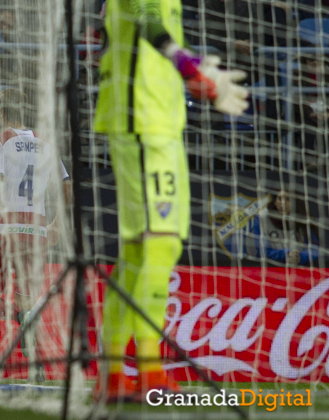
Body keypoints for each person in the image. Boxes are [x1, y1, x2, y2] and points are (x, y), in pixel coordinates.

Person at [92, 0, 248, 403]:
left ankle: (111, 372)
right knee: (158, 243)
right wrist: (187, 63)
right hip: (141, 119)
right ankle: (148, 369)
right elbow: (147, 22)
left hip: (159, 120)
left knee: (138, 250)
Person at [0, 89, 71, 360]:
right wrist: (56, 224)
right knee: (28, 297)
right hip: (37, 231)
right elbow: (66, 185)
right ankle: (35, 357)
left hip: (6, 229)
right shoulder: (46, 143)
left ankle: (19, 316)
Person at [245, 191, 320, 266]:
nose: (283, 203)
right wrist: (286, 254)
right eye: (280, 199)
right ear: (275, 201)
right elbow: (262, 250)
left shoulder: (303, 219)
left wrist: (300, 257)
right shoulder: (262, 219)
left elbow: (314, 249)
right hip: (270, 268)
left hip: (299, 268)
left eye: (288, 199)